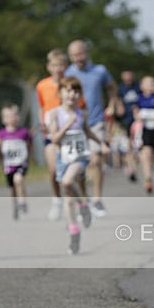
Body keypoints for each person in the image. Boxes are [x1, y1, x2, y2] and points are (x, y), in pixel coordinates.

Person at [49, 77, 110, 255]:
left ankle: (83, 204)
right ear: (60, 93)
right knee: (68, 201)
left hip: (80, 156)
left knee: (67, 182)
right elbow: (54, 139)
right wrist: (66, 126)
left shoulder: (81, 113)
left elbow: (87, 131)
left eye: (75, 91)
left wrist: (102, 143)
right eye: (68, 90)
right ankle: (74, 233)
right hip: (63, 158)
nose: (72, 94)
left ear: (80, 95)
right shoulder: (55, 114)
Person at [65, 40, 118, 216]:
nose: (77, 58)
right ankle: (84, 200)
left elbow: (112, 88)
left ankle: (97, 200)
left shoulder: (99, 71)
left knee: (95, 160)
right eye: (73, 55)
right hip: (76, 124)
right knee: (79, 166)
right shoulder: (68, 74)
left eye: (80, 54)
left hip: (96, 121)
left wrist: (112, 104)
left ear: (86, 53)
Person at [35, 48, 68, 220]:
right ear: (49, 67)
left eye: (61, 65)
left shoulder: (71, 84)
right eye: (54, 65)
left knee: (72, 171)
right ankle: (57, 200)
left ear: (66, 66)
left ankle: (79, 200)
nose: (58, 69)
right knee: (54, 169)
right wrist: (42, 122)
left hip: (69, 132)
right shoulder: (42, 85)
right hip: (50, 132)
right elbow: (42, 106)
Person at [0, 104, 32, 220]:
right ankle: (14, 203)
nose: (11, 119)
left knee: (18, 179)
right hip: (8, 165)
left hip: (21, 162)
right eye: (8, 116)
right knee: (12, 187)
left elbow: (30, 145)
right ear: (3, 119)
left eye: (14, 115)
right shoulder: (1, 134)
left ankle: (22, 201)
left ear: (18, 117)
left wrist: (29, 156)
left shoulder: (24, 132)